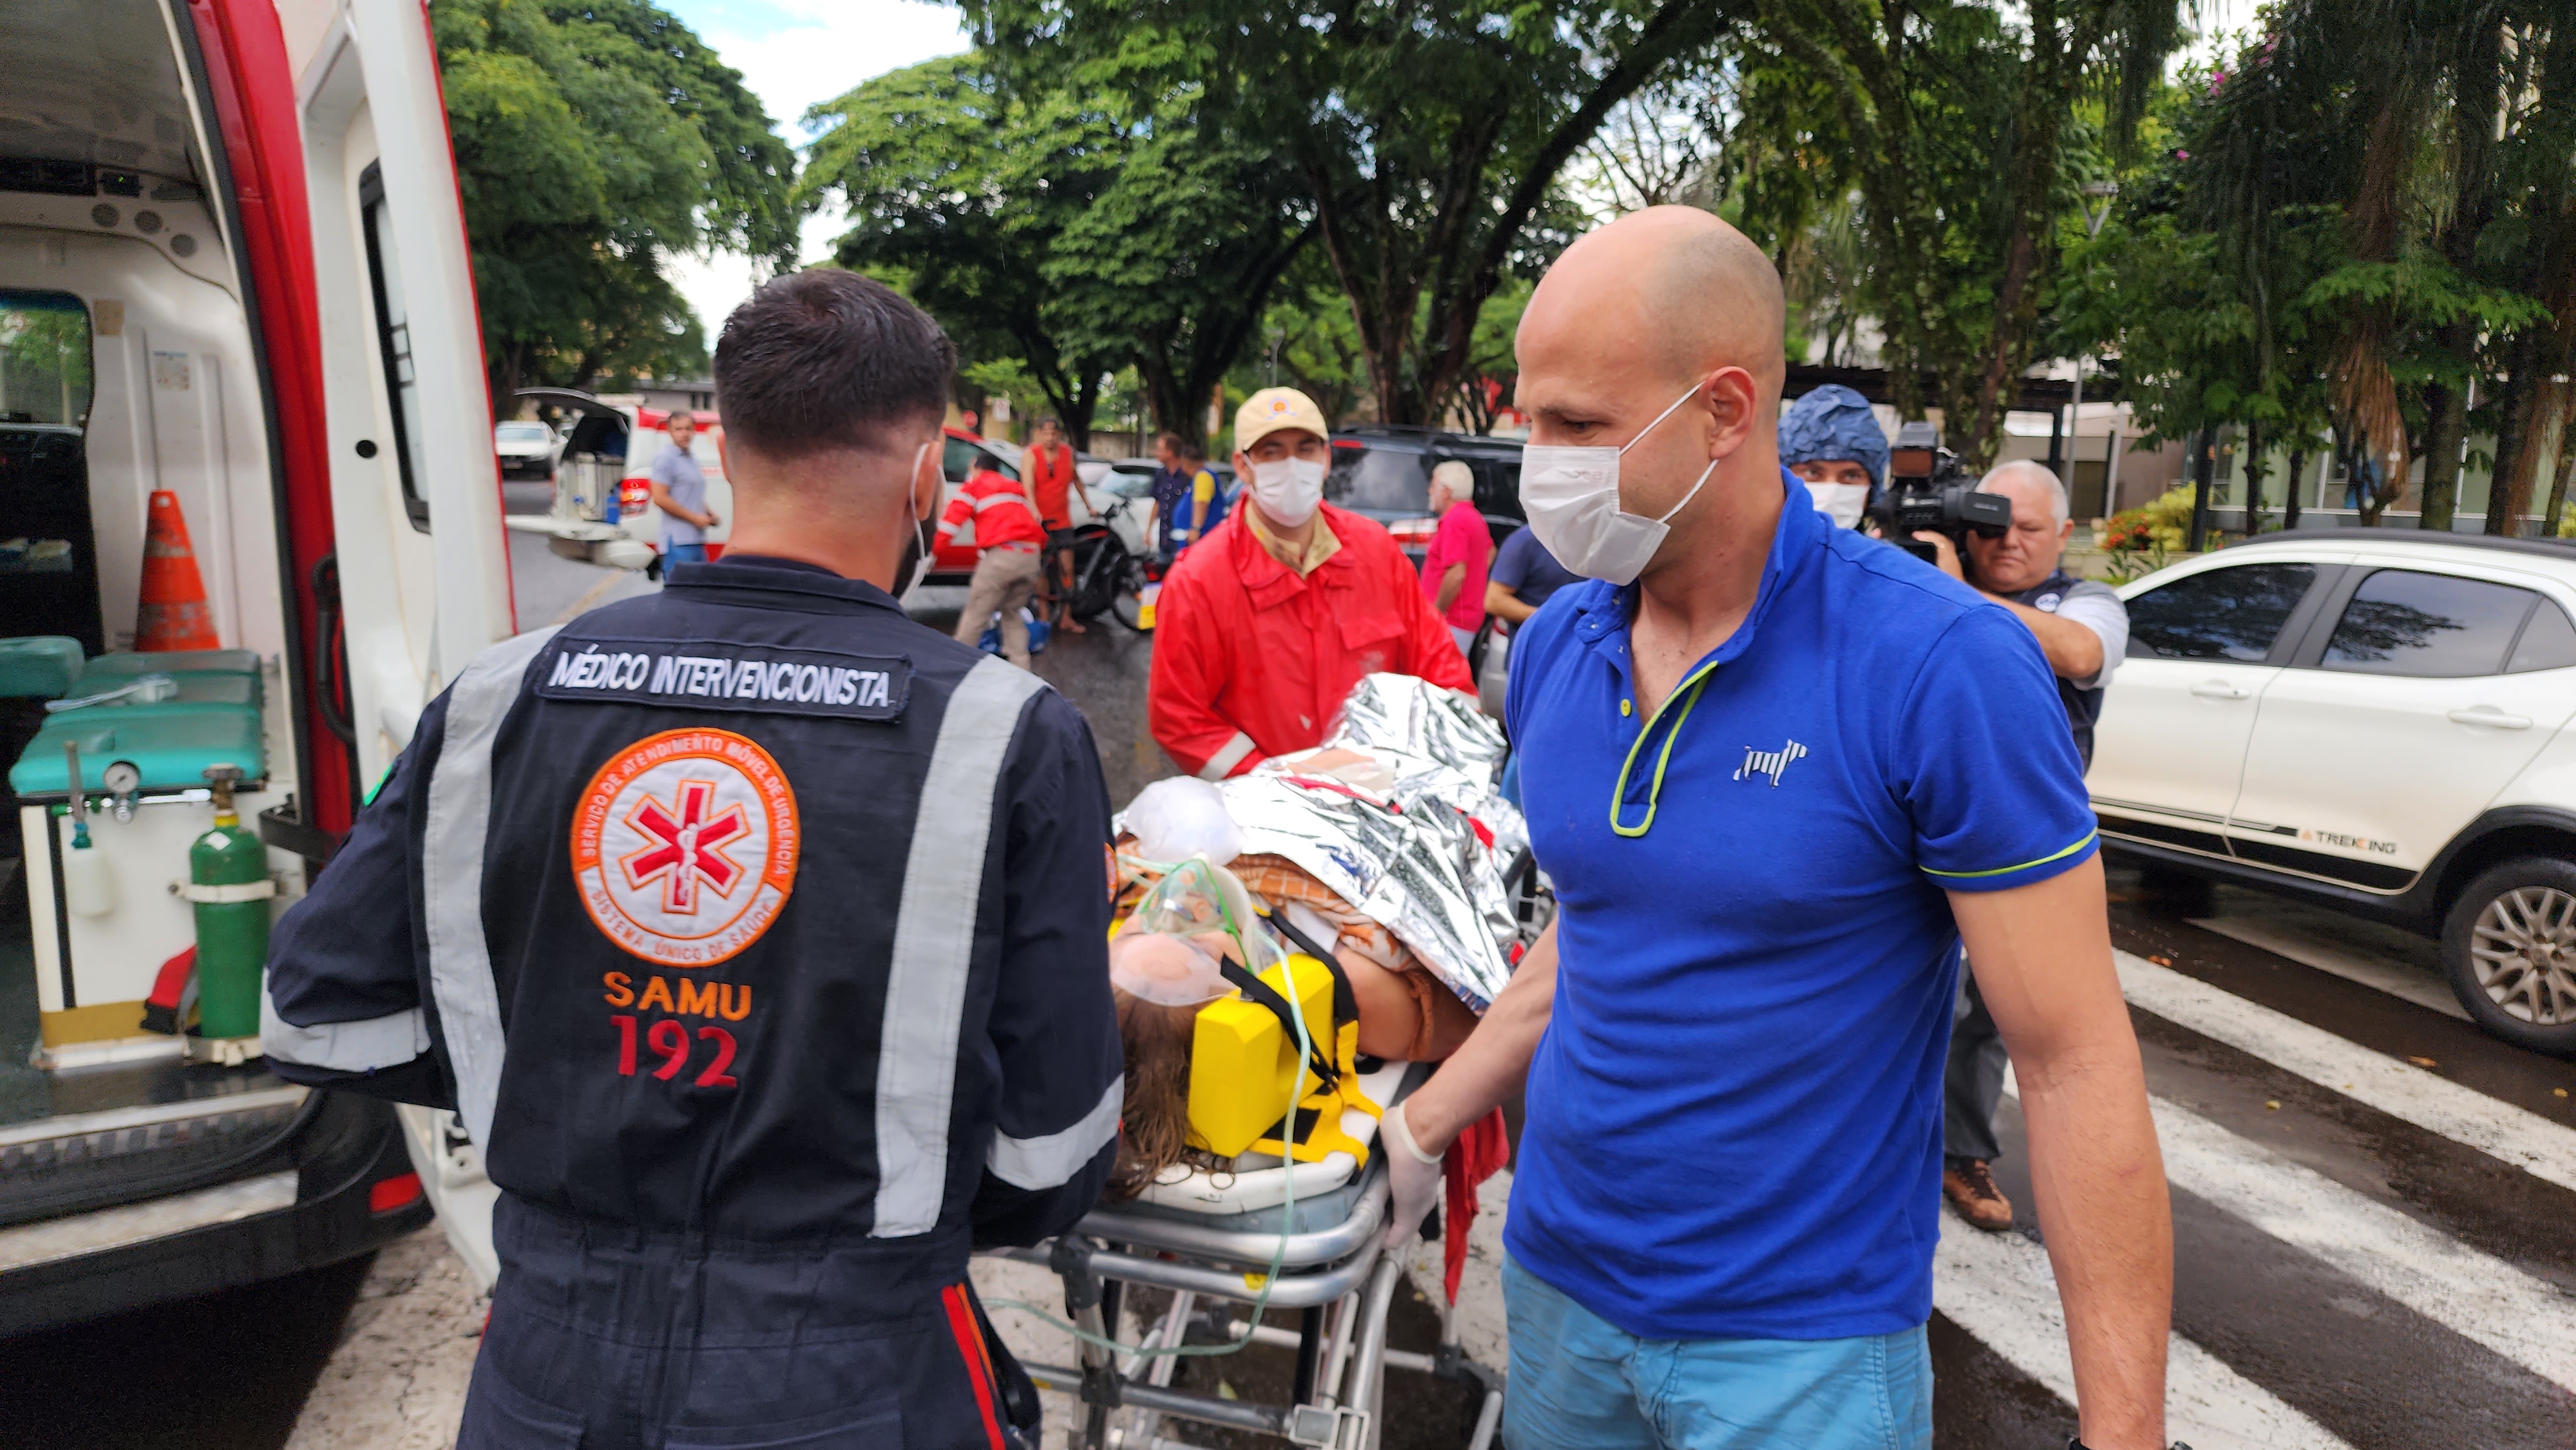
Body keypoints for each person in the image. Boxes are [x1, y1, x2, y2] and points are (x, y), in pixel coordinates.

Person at [260, 270, 1122, 1449]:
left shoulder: (497, 699)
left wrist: (563, 1079)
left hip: (546, 1365)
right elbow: (1048, 1157)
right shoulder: (1006, 734)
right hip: (848, 1378)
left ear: (720, 452)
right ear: (928, 473)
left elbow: (320, 1013)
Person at [1374, 208, 2172, 1450]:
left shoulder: (1939, 666)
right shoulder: (1560, 653)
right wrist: (1425, 1126)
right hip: (1560, 1299)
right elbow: (1593, 932)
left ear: (1729, 410)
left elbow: (2073, 1061)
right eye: (1529, 419)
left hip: (1800, 1358)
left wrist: (2123, 1433)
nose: (1539, 463)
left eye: (1578, 425)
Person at [1911, 458, 2131, 1233]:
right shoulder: (1918, 575)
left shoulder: (2085, 603)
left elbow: (2079, 654)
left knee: (1997, 1009)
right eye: (1991, 529)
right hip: (1910, 822)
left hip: (2020, 844)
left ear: (2064, 533)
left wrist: (1952, 592)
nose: (2006, 545)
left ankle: (1961, 1151)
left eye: (2028, 531)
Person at [1148, 386, 1473, 780]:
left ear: (1326, 458)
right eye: (1271, 451)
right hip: (1262, 818)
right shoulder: (1199, 580)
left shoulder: (1376, 552)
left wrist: (1450, 759)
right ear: (1242, 465)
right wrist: (1281, 783)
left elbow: (1439, 666)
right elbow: (1178, 717)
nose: (1291, 464)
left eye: (1305, 449)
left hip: (1378, 803)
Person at [938, 433, 1050, 668]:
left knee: (976, 615)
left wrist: (931, 554)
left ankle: (955, 669)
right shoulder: (1015, 489)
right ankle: (1022, 667)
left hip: (1002, 557)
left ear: (975, 468)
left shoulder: (976, 486)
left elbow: (951, 523)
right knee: (1012, 613)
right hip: (1031, 558)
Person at [1777, 382, 1887, 529]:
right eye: (1813, 473)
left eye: (1851, 476)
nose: (1831, 493)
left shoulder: (1886, 552)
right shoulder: (1751, 550)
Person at [1024, 416, 1094, 633]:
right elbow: (1027, 485)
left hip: (1063, 521)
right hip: (1039, 521)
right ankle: (1045, 616)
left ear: (1059, 434)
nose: (1049, 438)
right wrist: (1034, 510)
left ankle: (1066, 617)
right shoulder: (1030, 455)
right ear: (1039, 434)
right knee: (1041, 570)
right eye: (1045, 433)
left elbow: (1077, 481)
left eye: (1053, 433)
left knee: (1067, 569)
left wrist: (1088, 506)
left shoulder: (1067, 454)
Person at [1421, 460, 1493, 654]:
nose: (1430, 491)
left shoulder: (1456, 519)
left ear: (1446, 491)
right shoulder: (1473, 517)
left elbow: (1456, 574)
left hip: (1451, 620)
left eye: (1434, 486)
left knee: (1439, 680)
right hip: (1464, 619)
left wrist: (1435, 613)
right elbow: (1490, 552)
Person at [648, 410, 717, 564]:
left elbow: (691, 493)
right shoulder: (666, 459)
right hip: (678, 541)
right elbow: (660, 498)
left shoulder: (690, 458)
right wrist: (694, 518)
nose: (684, 434)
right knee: (681, 587)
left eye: (688, 429)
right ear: (670, 431)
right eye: (678, 429)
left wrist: (709, 514)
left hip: (696, 539)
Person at [1151, 431, 1227, 558]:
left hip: (1201, 539)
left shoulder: (1203, 476)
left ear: (1185, 462)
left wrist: (1195, 528)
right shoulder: (1199, 477)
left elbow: (1201, 503)